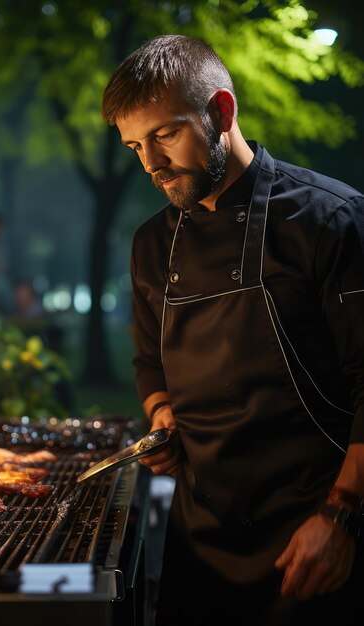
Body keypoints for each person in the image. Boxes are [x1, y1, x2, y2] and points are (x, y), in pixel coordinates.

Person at [101, 34, 364, 625]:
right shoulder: (151, 243)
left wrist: (343, 518)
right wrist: (162, 415)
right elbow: (149, 361)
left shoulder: (331, 220)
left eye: (164, 134)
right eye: (134, 145)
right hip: (202, 541)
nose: (150, 163)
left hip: (316, 536)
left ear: (222, 111)